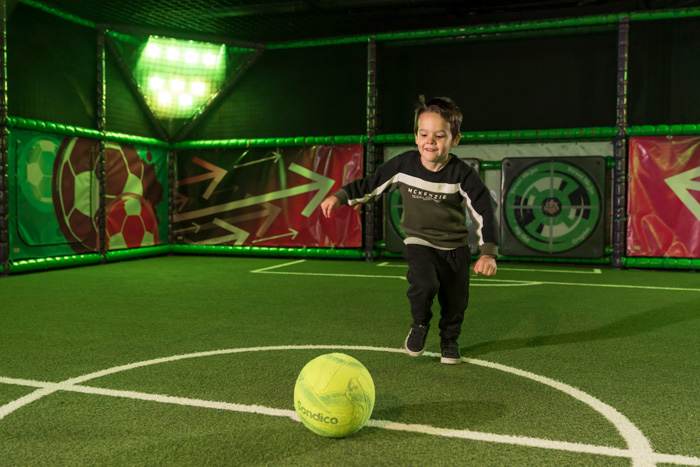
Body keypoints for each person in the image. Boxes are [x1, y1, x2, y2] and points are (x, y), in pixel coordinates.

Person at [320, 96, 498, 364]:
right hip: (419, 242)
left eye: (440, 136)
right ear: (416, 137)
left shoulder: (462, 174)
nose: (431, 141)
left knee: (455, 302)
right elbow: (371, 185)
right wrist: (341, 196)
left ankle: (449, 341)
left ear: (455, 140)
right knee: (423, 284)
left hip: (455, 248)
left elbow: (483, 210)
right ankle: (419, 325)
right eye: (424, 134)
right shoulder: (403, 166)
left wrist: (488, 253)